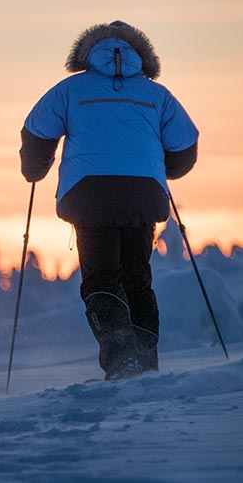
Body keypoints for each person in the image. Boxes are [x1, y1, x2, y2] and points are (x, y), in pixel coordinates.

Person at [19, 21, 198, 379]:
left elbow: (36, 132)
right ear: (141, 56)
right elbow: (185, 145)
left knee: (101, 278)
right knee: (137, 277)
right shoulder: (157, 95)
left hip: (89, 195)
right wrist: (166, 169)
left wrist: (35, 169)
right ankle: (146, 361)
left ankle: (121, 359)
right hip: (143, 194)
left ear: (86, 53)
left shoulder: (70, 89)